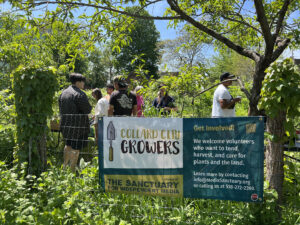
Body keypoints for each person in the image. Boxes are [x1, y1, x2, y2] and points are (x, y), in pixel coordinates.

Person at [59, 73, 92, 172]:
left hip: (65, 124)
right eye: (83, 82)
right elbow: (88, 109)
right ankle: (72, 170)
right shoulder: (80, 94)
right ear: (78, 82)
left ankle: (64, 167)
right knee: (76, 148)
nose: (83, 84)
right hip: (78, 127)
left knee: (68, 145)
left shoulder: (63, 93)